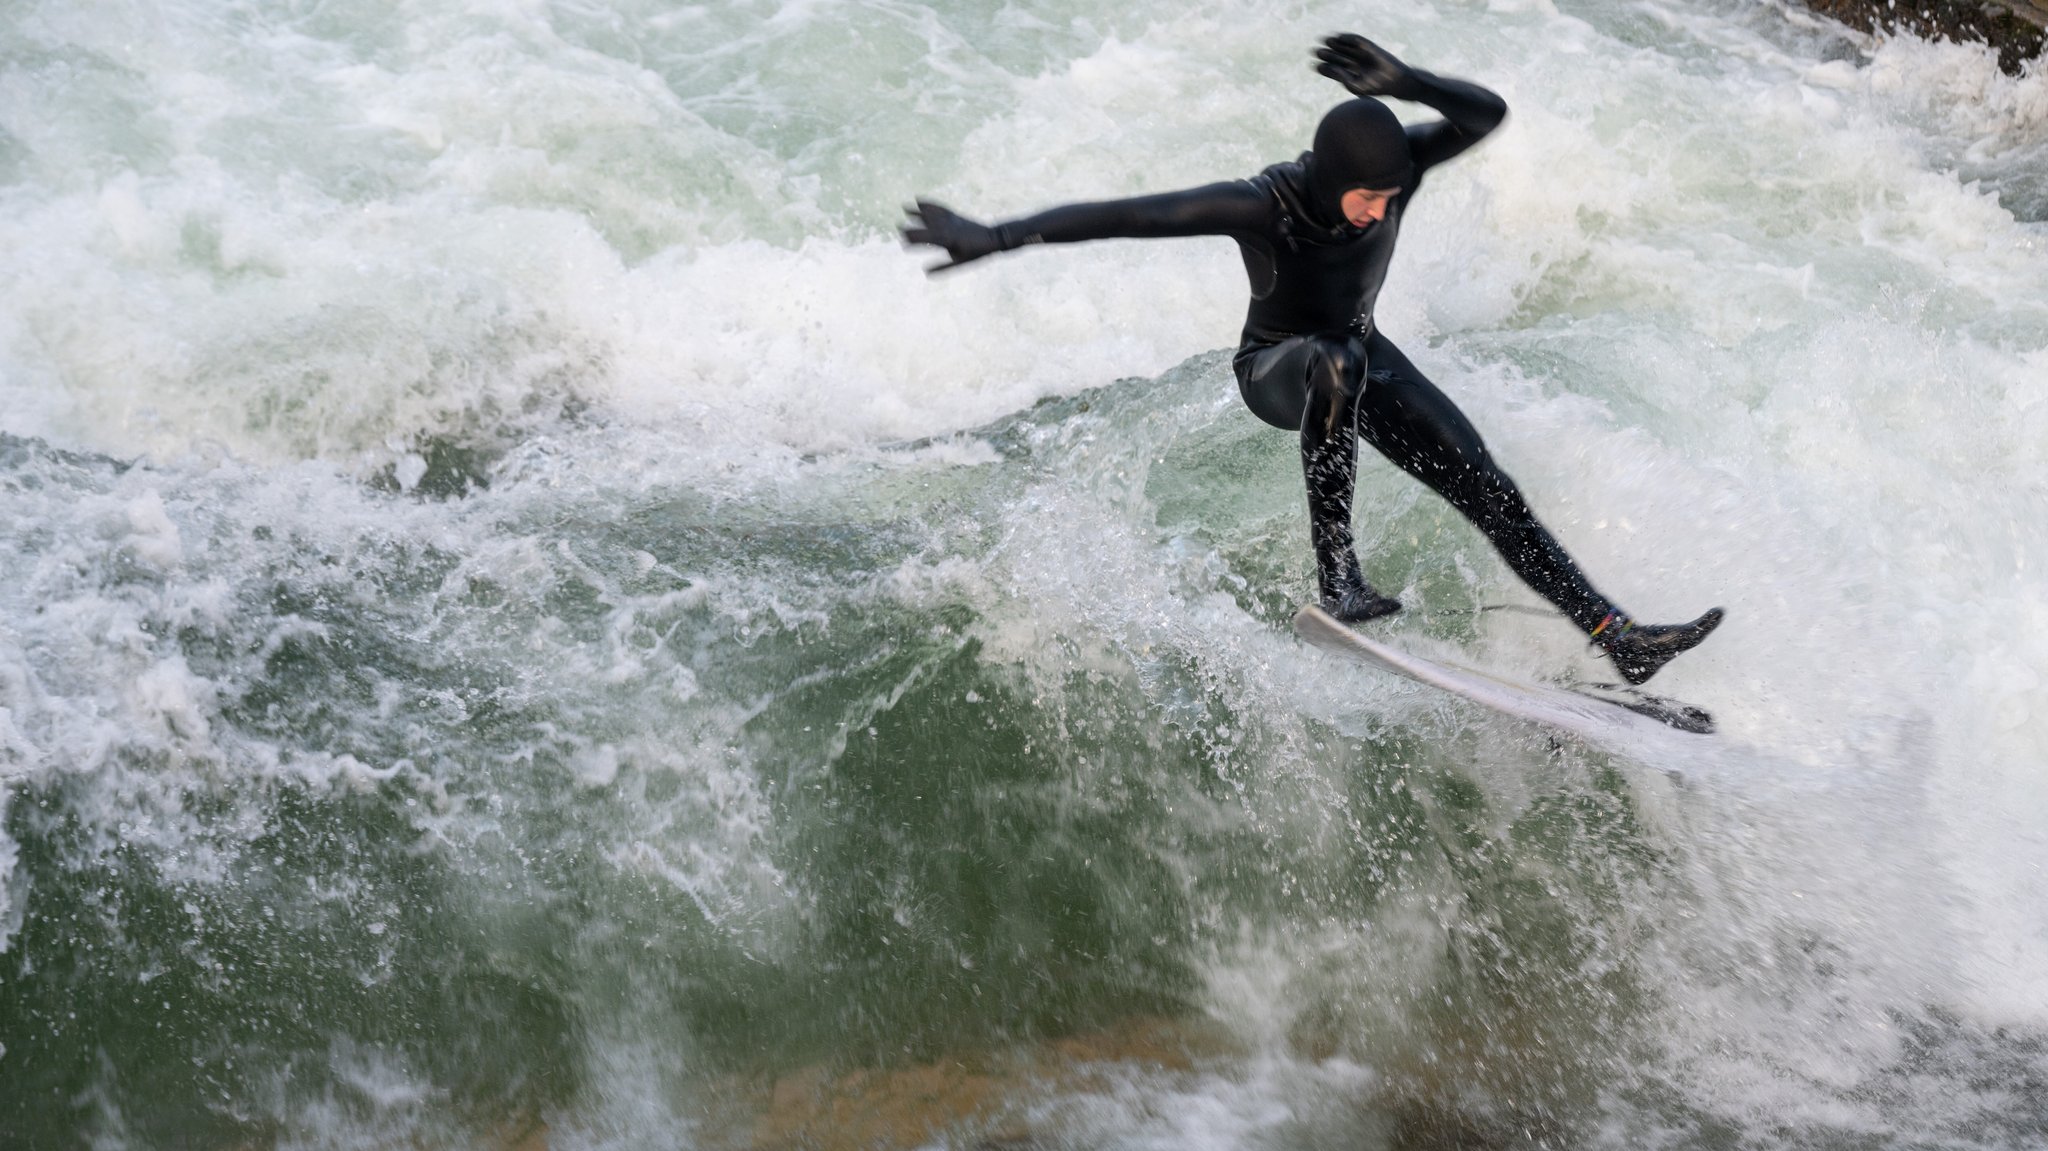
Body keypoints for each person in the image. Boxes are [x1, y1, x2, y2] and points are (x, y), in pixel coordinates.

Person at [902, 34, 1721, 685]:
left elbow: (1485, 113)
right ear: (1330, 180)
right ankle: (1339, 576)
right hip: (1278, 370)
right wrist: (995, 237)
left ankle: (1618, 636)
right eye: (1367, 197)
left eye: (1392, 197)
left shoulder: (1393, 176)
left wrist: (1408, 83)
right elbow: (1126, 215)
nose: (1380, 211)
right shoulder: (1265, 204)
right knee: (1333, 360)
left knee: (1487, 485)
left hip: (1361, 353)